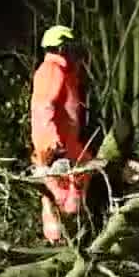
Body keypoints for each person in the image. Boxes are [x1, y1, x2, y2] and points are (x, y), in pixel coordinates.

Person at [31, 24, 94, 243]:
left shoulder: (66, 73)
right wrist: (51, 144)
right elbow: (42, 108)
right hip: (55, 146)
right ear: (61, 47)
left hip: (68, 144)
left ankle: (71, 235)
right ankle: (57, 240)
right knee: (56, 193)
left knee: (79, 176)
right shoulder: (51, 70)